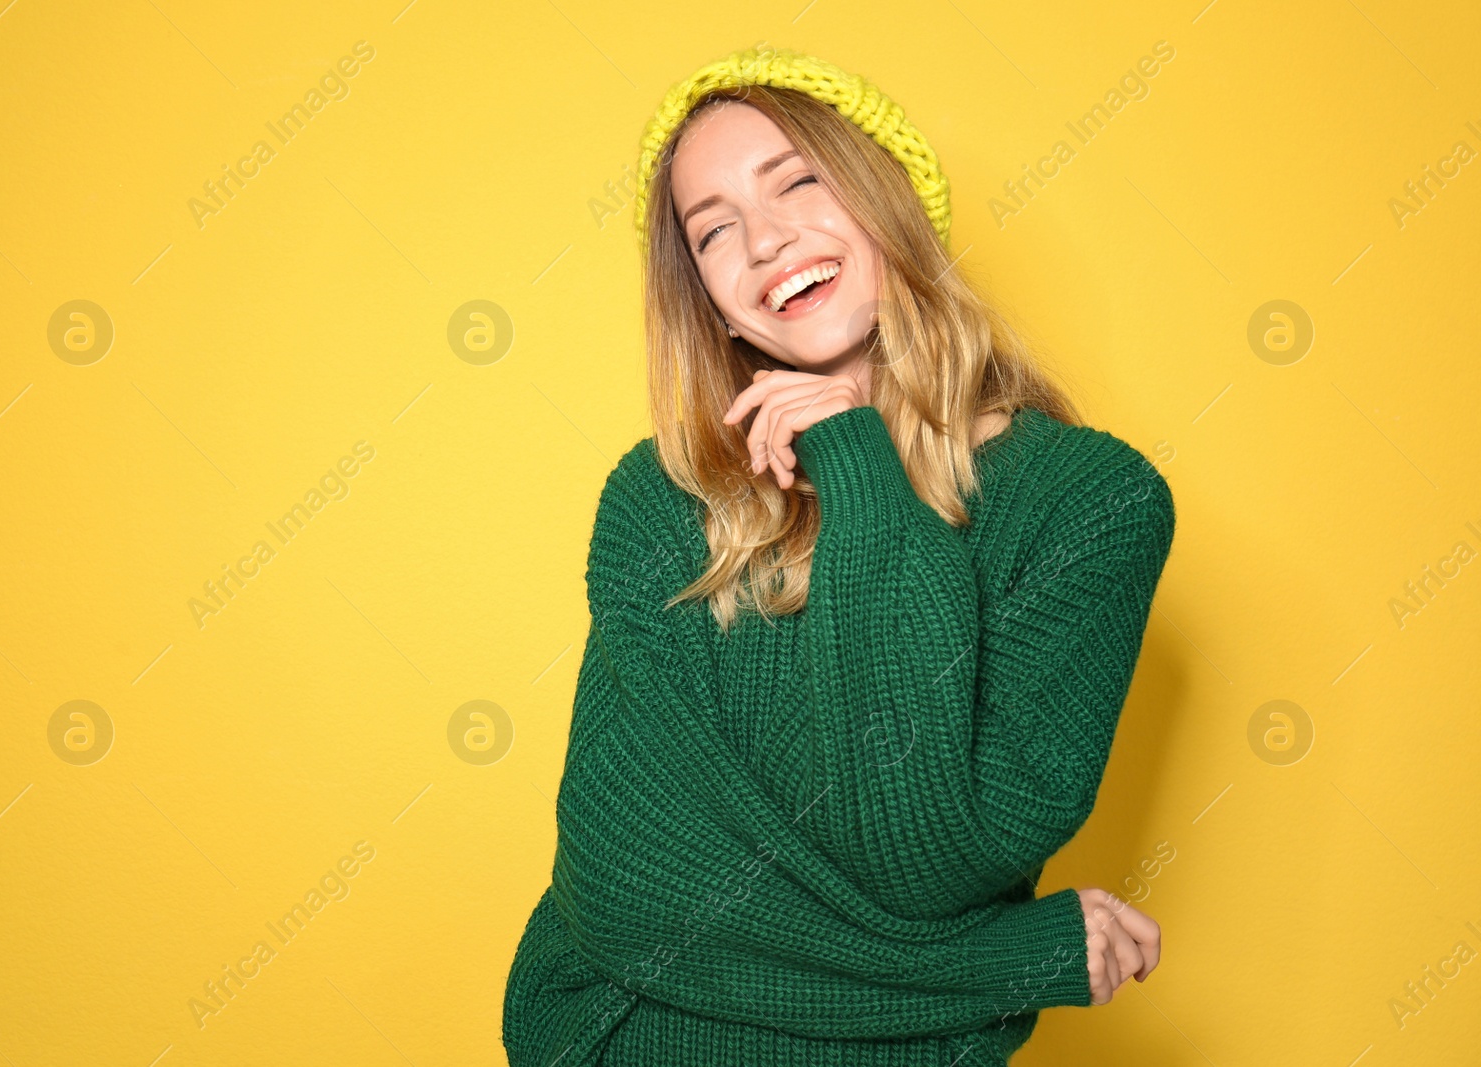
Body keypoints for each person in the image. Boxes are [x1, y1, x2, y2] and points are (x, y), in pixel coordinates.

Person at [502, 45, 1176, 1067]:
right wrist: (1004, 961)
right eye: (714, 230)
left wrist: (857, 468)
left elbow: (920, 857)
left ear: (886, 201)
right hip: (617, 1039)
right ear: (710, 299)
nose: (766, 241)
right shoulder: (660, 497)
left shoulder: (1092, 503)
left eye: (798, 183)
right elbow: (628, 885)